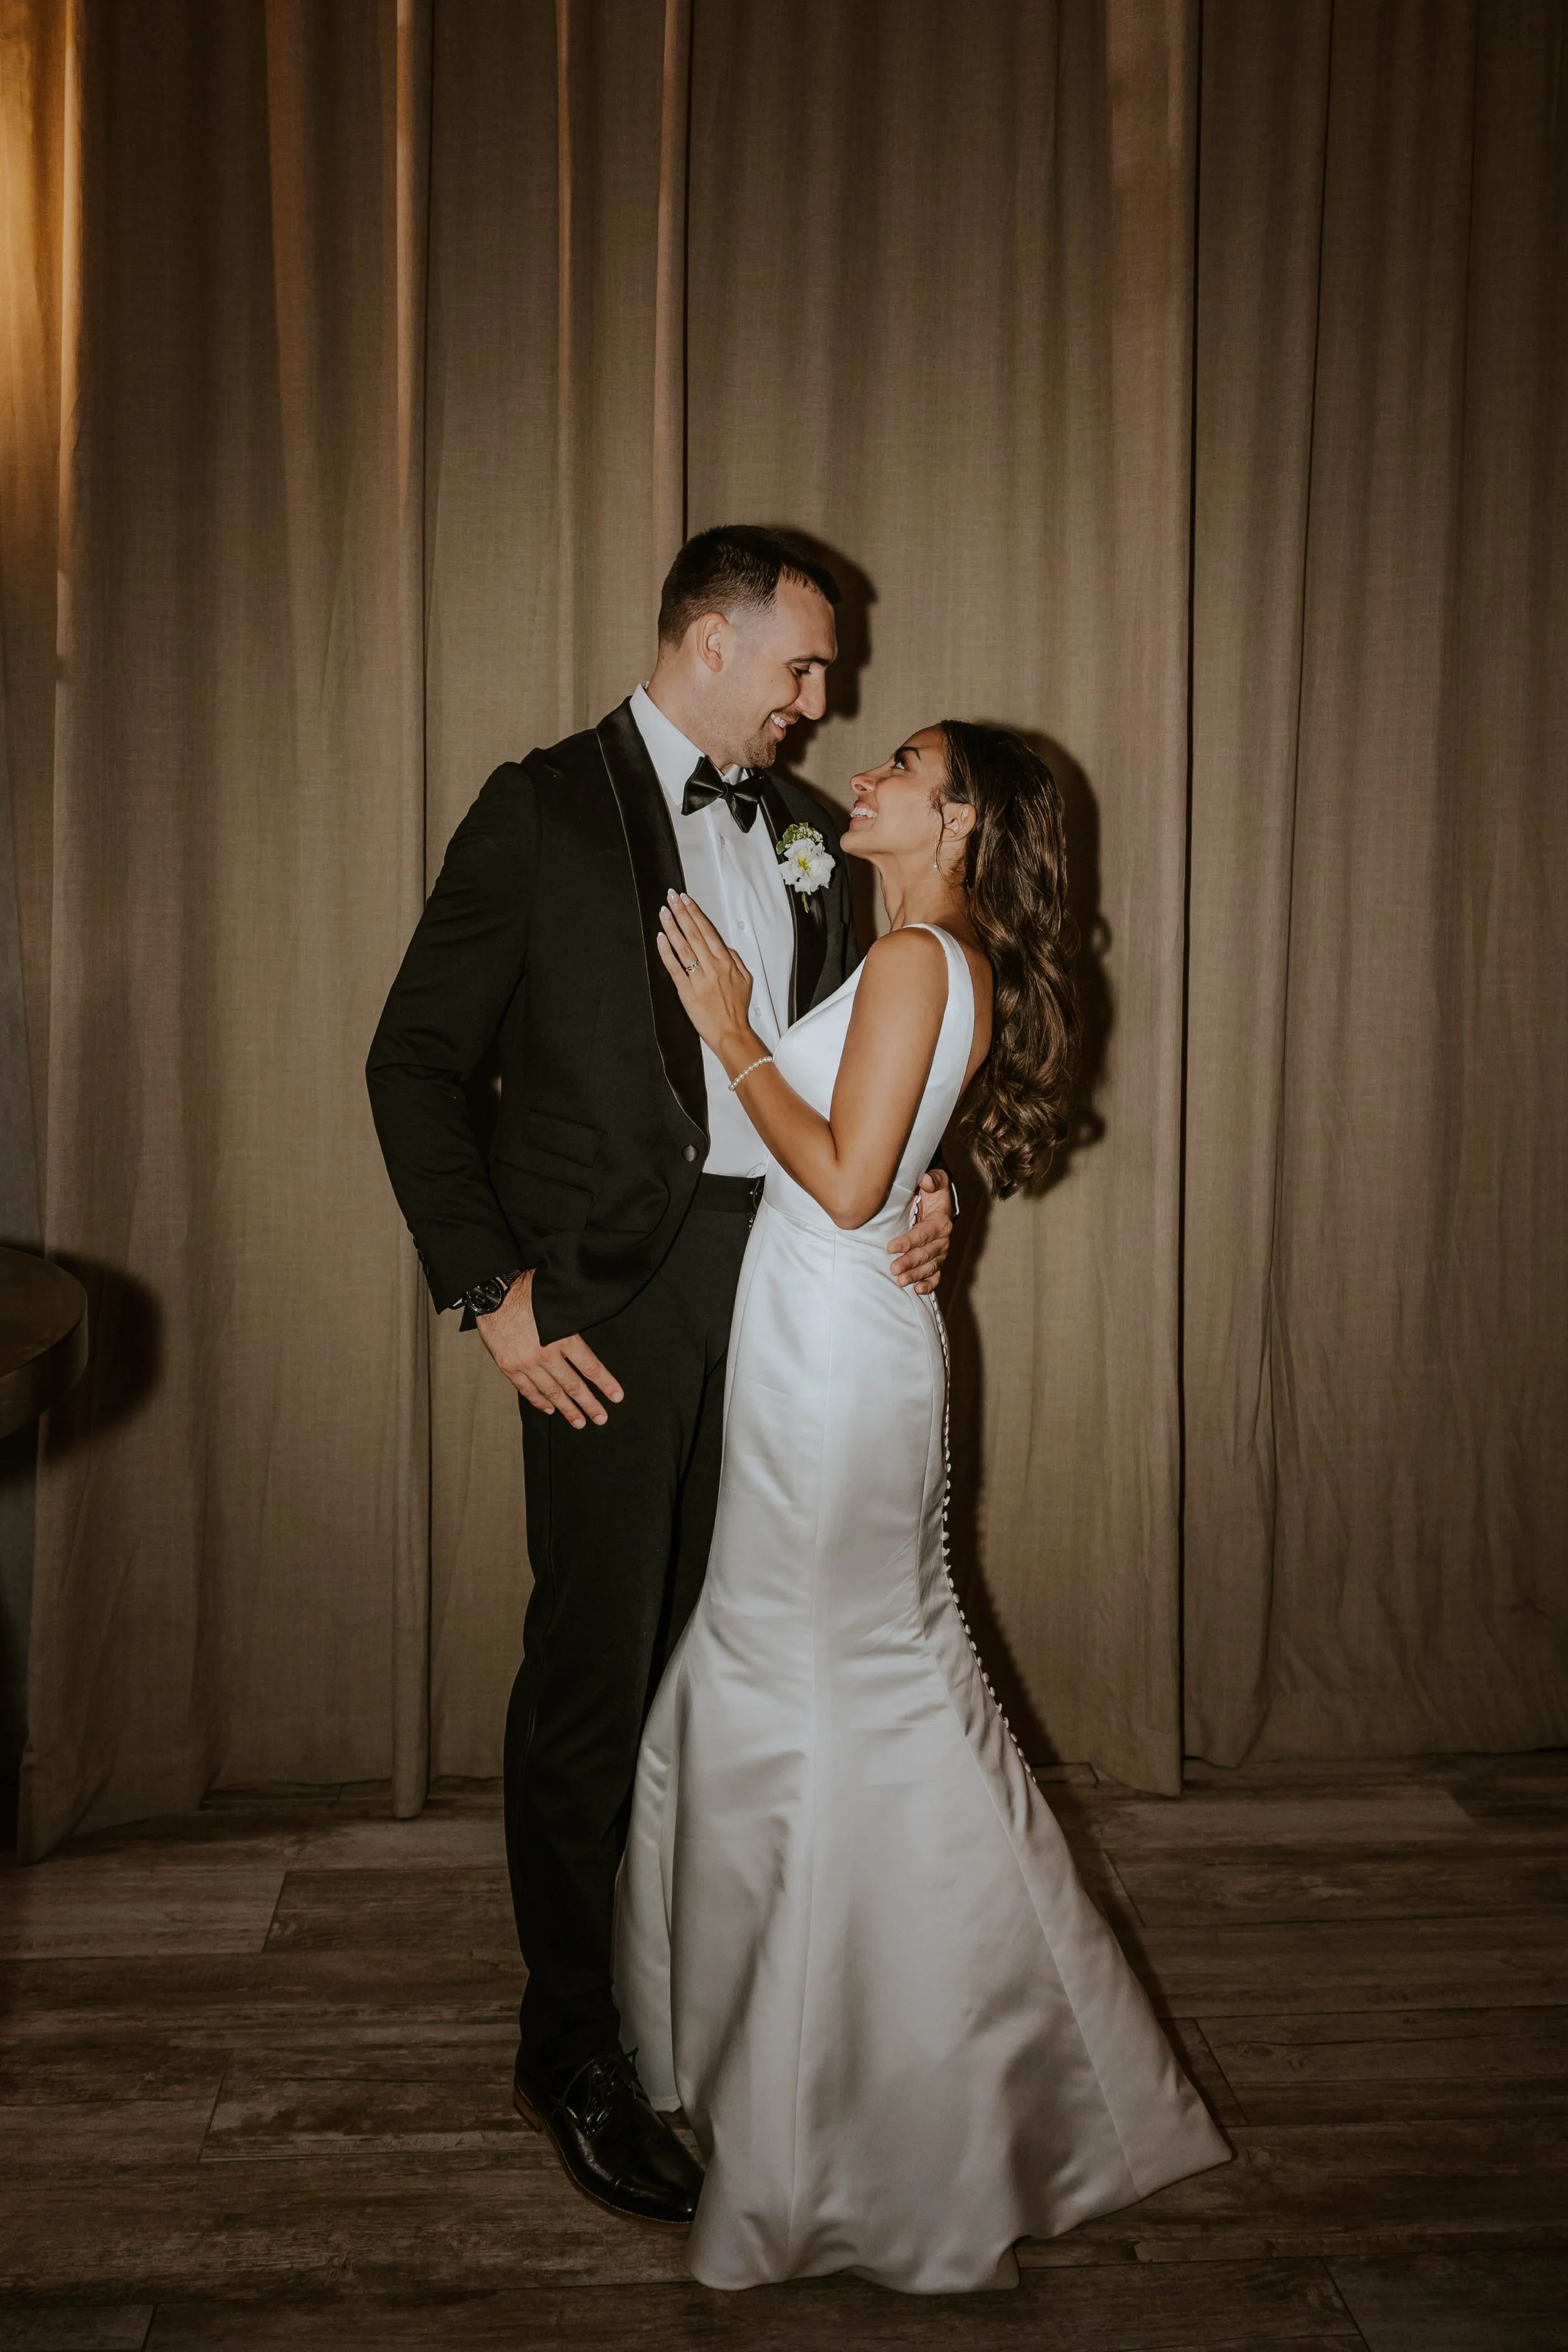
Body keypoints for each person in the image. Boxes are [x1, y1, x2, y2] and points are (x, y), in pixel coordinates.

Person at [365, 527, 956, 2230]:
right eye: (797, 666)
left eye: (825, 675)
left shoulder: (804, 824)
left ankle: (719, 2000)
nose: (820, 699)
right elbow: (412, 1059)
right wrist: (490, 1289)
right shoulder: (542, 807)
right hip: (614, 1310)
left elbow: (870, 1054)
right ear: (707, 640)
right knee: (598, 1668)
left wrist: (927, 1186)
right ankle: (571, 2042)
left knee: (742, 1660)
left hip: (795, 1283)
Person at [614, 720, 1231, 2291]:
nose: (864, 774)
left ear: (956, 825)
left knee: (838, 1686)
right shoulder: (916, 953)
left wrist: (730, 1026)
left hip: (831, 1367)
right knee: (834, 1670)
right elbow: (884, 1173)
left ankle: (857, 2118)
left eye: (900, 766)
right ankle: (960, 2066)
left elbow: (836, 1179)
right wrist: (918, 1191)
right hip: (823, 1345)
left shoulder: (912, 964)